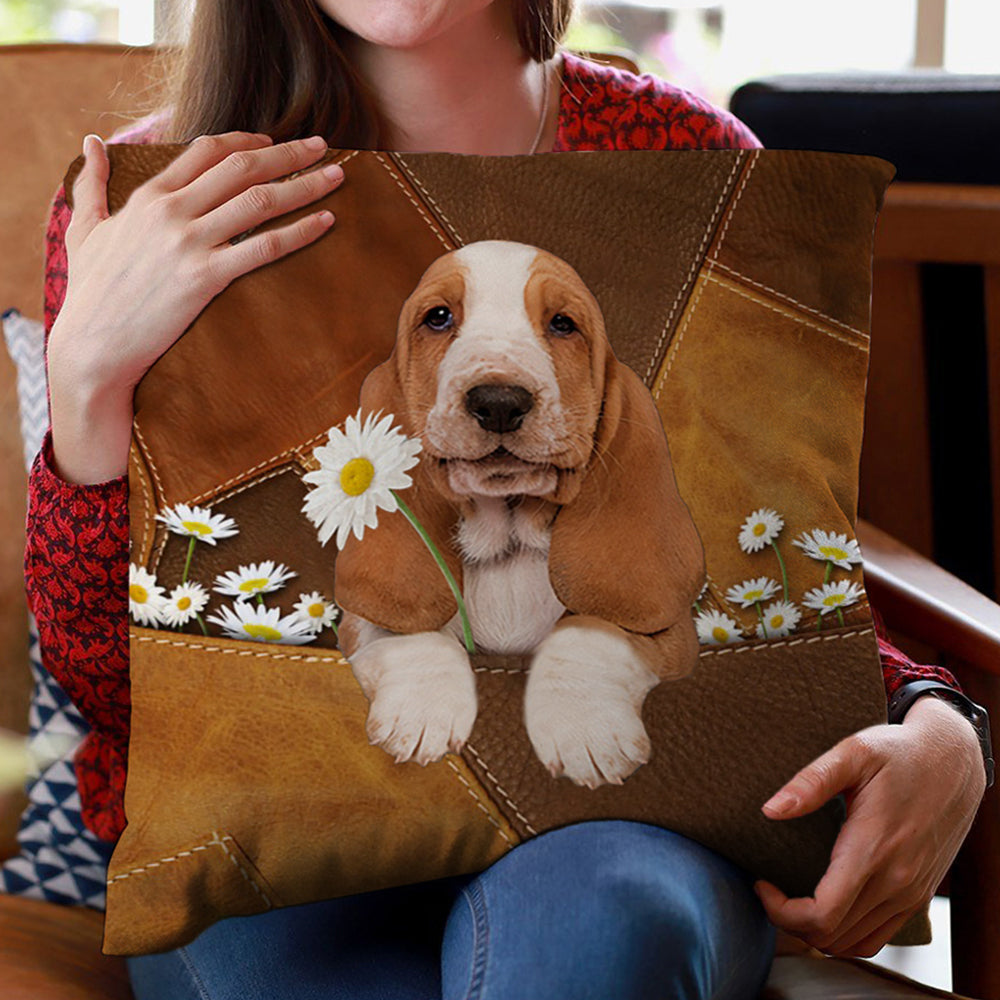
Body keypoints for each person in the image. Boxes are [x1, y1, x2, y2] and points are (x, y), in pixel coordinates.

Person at [24, 1, 987, 997]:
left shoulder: (691, 166)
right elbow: (106, 681)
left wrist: (936, 713)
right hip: (271, 823)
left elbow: (755, 556)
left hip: (618, 818)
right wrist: (89, 382)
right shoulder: (155, 204)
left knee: (600, 921)